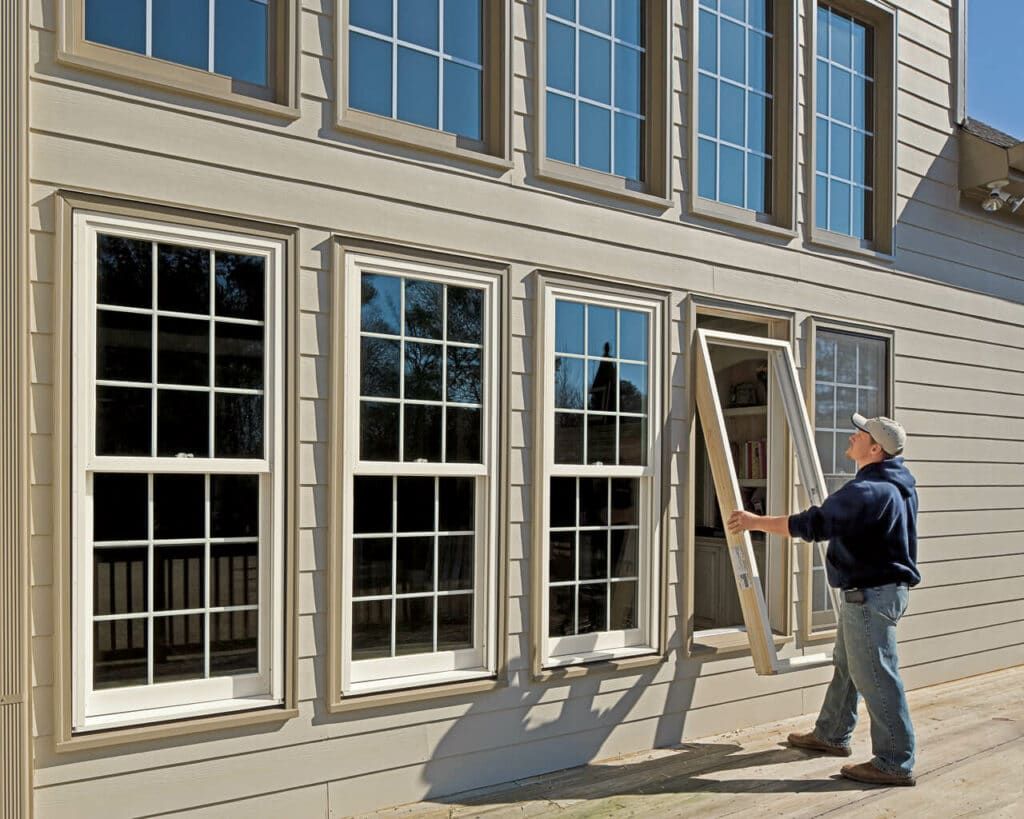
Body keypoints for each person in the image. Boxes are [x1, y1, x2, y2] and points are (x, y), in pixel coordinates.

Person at [727, 413, 920, 787]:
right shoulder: (896, 482)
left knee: (877, 676)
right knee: (848, 666)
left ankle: (895, 761)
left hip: (870, 597)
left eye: (859, 434)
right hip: (875, 593)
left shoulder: (870, 491)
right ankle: (831, 734)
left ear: (876, 448)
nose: (851, 437)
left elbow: (813, 524)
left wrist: (754, 522)